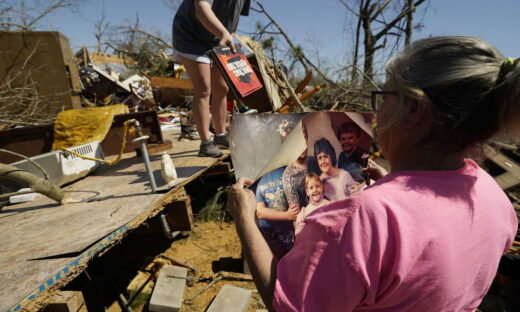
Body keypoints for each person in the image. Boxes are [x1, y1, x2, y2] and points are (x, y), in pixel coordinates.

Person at [227, 36, 519, 311]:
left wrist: (245, 219)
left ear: (413, 110)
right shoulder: (493, 196)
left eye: (384, 97)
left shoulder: (355, 221)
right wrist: (392, 191)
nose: (377, 114)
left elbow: (287, 306)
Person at [172, 0, 250, 157]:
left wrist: (229, 36)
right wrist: (223, 33)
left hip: (216, 39)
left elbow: (233, 18)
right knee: (203, 89)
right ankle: (205, 143)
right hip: (190, 36)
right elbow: (201, 8)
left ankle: (220, 136)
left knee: (221, 88)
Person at [255, 166, 298, 260]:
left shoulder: (290, 172)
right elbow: (260, 212)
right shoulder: (258, 178)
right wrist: (287, 215)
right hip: (271, 236)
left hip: (289, 234)